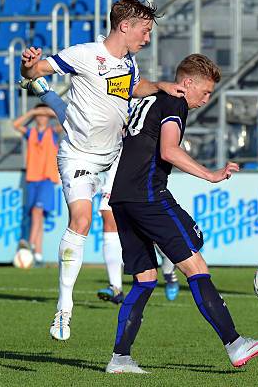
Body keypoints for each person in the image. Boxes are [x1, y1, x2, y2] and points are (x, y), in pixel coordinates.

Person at [20, 0, 185, 341]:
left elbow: (134, 87)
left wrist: (160, 86)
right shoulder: (83, 54)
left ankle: (165, 269)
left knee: (138, 217)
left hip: (116, 158)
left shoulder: (129, 62)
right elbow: (34, 70)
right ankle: (64, 308)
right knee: (81, 220)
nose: (147, 37)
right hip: (79, 156)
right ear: (124, 26)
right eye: (144, 30)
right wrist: (29, 67)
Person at [105, 54, 258, 374]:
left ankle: (120, 358)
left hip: (122, 198)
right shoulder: (176, 101)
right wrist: (211, 175)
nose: (206, 99)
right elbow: (168, 150)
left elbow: (116, 89)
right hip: (148, 195)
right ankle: (235, 344)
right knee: (195, 264)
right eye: (206, 91)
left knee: (144, 279)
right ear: (186, 84)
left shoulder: (151, 96)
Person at [20, 79, 181, 303]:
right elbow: (69, 118)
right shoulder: (98, 103)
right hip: (113, 168)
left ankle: (169, 272)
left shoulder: (137, 99)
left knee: (150, 232)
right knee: (108, 217)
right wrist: (45, 93)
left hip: (138, 167)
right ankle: (115, 287)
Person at [12, 103, 62, 266]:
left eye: (44, 115)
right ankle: (38, 253)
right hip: (32, 178)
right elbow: (16, 124)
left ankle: (29, 243)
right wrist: (32, 111)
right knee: (37, 217)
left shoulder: (52, 132)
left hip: (47, 178)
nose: (41, 117)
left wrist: (51, 111)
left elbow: (67, 122)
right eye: (39, 115)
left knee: (37, 211)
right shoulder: (31, 132)